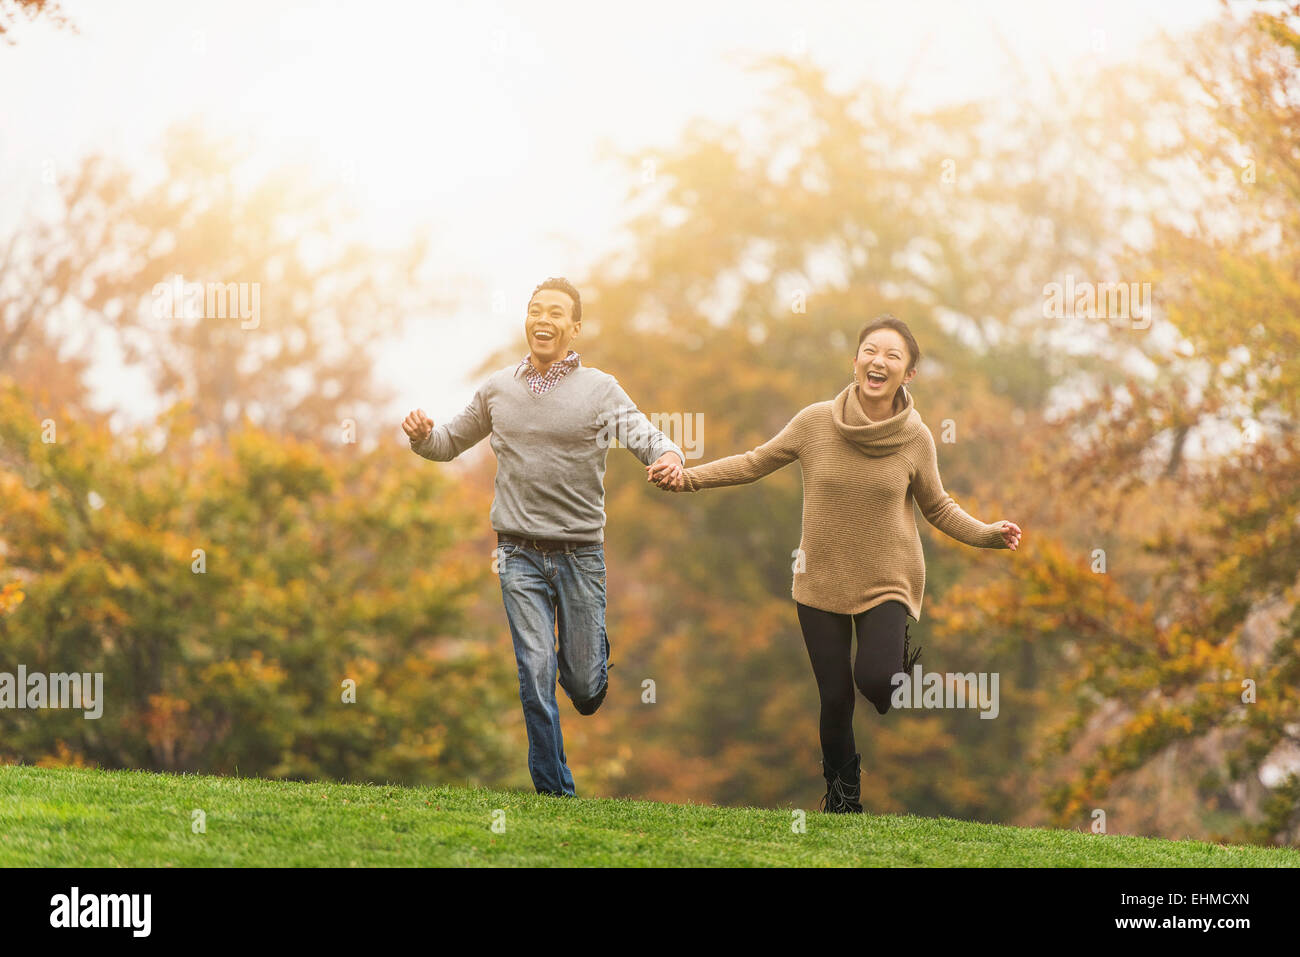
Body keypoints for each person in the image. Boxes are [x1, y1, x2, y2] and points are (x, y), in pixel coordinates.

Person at [648, 314, 1021, 813]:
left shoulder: (916, 438)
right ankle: (843, 798)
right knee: (835, 697)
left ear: (907, 374)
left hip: (888, 577)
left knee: (875, 682)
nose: (878, 361)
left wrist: (987, 535)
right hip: (820, 576)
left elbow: (937, 507)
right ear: (855, 361)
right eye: (870, 350)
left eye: (893, 355)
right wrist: (688, 478)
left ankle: (893, 671)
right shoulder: (814, 422)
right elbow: (756, 461)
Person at [403, 277, 684, 796]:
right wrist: (423, 437)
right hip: (517, 555)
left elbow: (647, 435)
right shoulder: (497, 390)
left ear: (574, 328)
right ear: (526, 320)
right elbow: (448, 443)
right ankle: (556, 793)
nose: (543, 320)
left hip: (580, 555)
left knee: (581, 686)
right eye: (535, 310)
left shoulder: (599, 389)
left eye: (556, 313)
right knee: (534, 672)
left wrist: (667, 457)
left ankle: (591, 652)